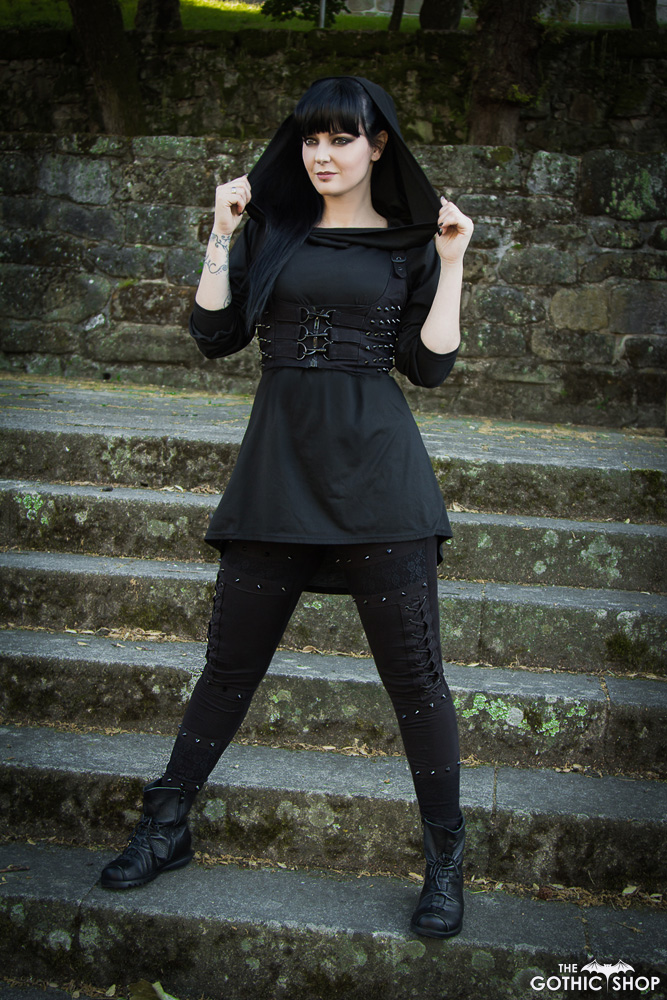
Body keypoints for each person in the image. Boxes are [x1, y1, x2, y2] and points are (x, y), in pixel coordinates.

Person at [100, 76, 474, 940]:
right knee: (228, 670)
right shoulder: (271, 228)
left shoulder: (412, 244)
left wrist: (453, 263)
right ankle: (166, 826)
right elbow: (214, 336)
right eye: (310, 139)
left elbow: (430, 367)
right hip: (276, 478)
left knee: (416, 684)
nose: (322, 155)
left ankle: (445, 862)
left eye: (341, 139)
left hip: (379, 484)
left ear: (377, 146)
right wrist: (219, 236)